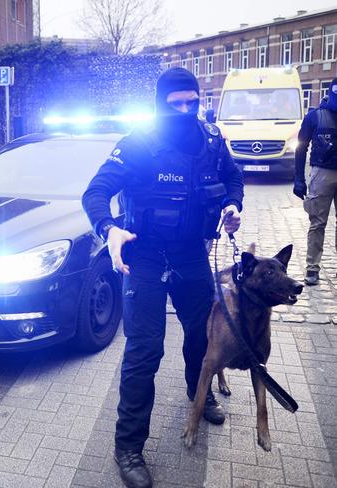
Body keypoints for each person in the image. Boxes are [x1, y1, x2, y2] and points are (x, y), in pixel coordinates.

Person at [82, 68, 244, 488]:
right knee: (145, 350)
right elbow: (95, 191)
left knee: (200, 337)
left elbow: (233, 177)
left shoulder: (211, 141)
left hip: (192, 253)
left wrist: (232, 204)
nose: (186, 110)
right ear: (160, 104)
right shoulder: (139, 143)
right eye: (176, 104)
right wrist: (108, 228)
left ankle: (199, 392)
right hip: (145, 256)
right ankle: (128, 447)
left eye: (192, 102)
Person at [293, 78, 337, 286]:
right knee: (317, 223)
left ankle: (312, 269)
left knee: (317, 224)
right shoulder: (314, 116)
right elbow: (301, 147)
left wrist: (299, 179)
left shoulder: (315, 115)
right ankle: (312, 268)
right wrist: (298, 179)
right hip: (322, 173)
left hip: (321, 174)